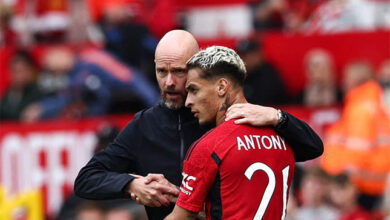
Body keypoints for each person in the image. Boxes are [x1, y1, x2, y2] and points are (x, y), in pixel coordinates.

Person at [74, 30, 324, 220]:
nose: (169, 82)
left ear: (198, 68)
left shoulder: (239, 119)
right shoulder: (144, 126)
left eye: (179, 72)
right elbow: (86, 179)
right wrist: (132, 184)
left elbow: (310, 149)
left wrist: (277, 117)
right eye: (162, 71)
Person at [165, 46, 295, 219]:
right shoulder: (283, 138)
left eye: (194, 90)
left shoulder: (209, 146)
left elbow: (181, 217)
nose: (188, 101)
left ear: (222, 87)